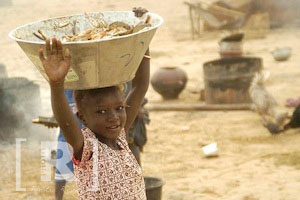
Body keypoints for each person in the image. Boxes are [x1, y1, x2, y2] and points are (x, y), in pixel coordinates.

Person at [38, 12, 150, 200]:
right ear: (82, 118)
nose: (113, 116)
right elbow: (65, 121)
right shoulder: (87, 149)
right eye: (101, 111)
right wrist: (56, 83)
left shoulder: (121, 137)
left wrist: (143, 41)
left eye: (119, 108)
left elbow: (140, 87)